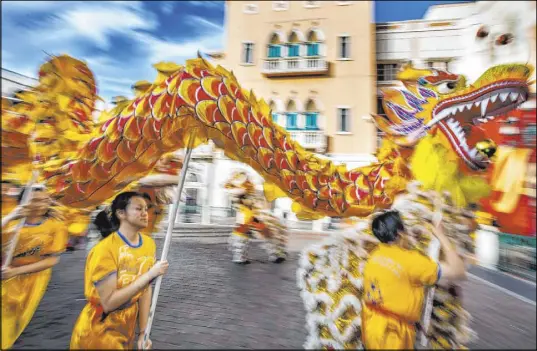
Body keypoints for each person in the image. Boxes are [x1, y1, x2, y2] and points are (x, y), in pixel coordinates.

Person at [70, 191, 169, 350]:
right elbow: (109, 303)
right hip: (99, 330)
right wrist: (150, 275)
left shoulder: (149, 244)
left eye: (147, 208)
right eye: (138, 209)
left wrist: (143, 332)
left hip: (126, 327)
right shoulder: (105, 250)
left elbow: (145, 290)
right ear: (121, 213)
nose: (145, 213)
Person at [361, 210, 467, 350]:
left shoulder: (375, 254)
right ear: (400, 233)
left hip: (370, 327)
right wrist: (441, 235)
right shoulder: (412, 262)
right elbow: (458, 271)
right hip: (392, 336)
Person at [1, 185, 69, 350]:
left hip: (35, 278)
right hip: (6, 276)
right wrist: (9, 218)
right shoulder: (11, 222)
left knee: (20, 316)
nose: (41, 205)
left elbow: (52, 260)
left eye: (44, 200)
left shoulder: (56, 226)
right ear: (22, 202)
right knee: (5, 315)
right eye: (35, 200)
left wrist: (16, 271)